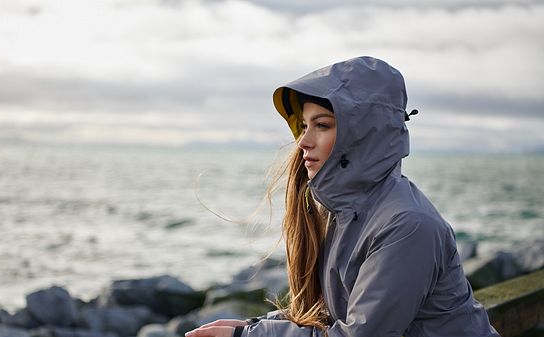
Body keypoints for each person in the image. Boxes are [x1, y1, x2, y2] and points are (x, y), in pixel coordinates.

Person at [185, 56, 500, 337]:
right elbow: (333, 313)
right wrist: (253, 326)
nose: (303, 142)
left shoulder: (407, 225)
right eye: (304, 126)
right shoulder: (344, 214)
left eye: (321, 125)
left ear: (363, 134)